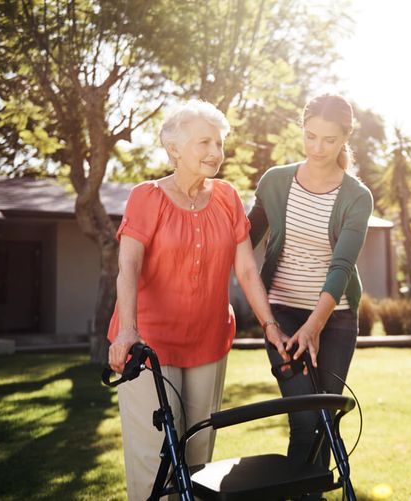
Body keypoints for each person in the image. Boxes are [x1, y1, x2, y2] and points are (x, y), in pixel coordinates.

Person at [106, 100, 290, 500]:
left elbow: (245, 270)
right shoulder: (147, 197)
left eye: (220, 143)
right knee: (155, 457)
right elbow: (130, 267)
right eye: (204, 142)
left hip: (208, 339)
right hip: (148, 342)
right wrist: (127, 332)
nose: (215, 152)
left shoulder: (226, 197)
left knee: (199, 455)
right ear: (174, 149)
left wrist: (271, 325)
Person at [248, 94, 374, 486]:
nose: (318, 148)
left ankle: (308, 494)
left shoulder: (356, 196)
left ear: (345, 139)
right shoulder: (275, 181)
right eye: (311, 136)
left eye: (329, 140)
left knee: (325, 418)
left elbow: (341, 266)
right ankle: (299, 493)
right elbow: (240, 241)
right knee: (305, 417)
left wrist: (316, 325)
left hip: (334, 320)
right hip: (281, 314)